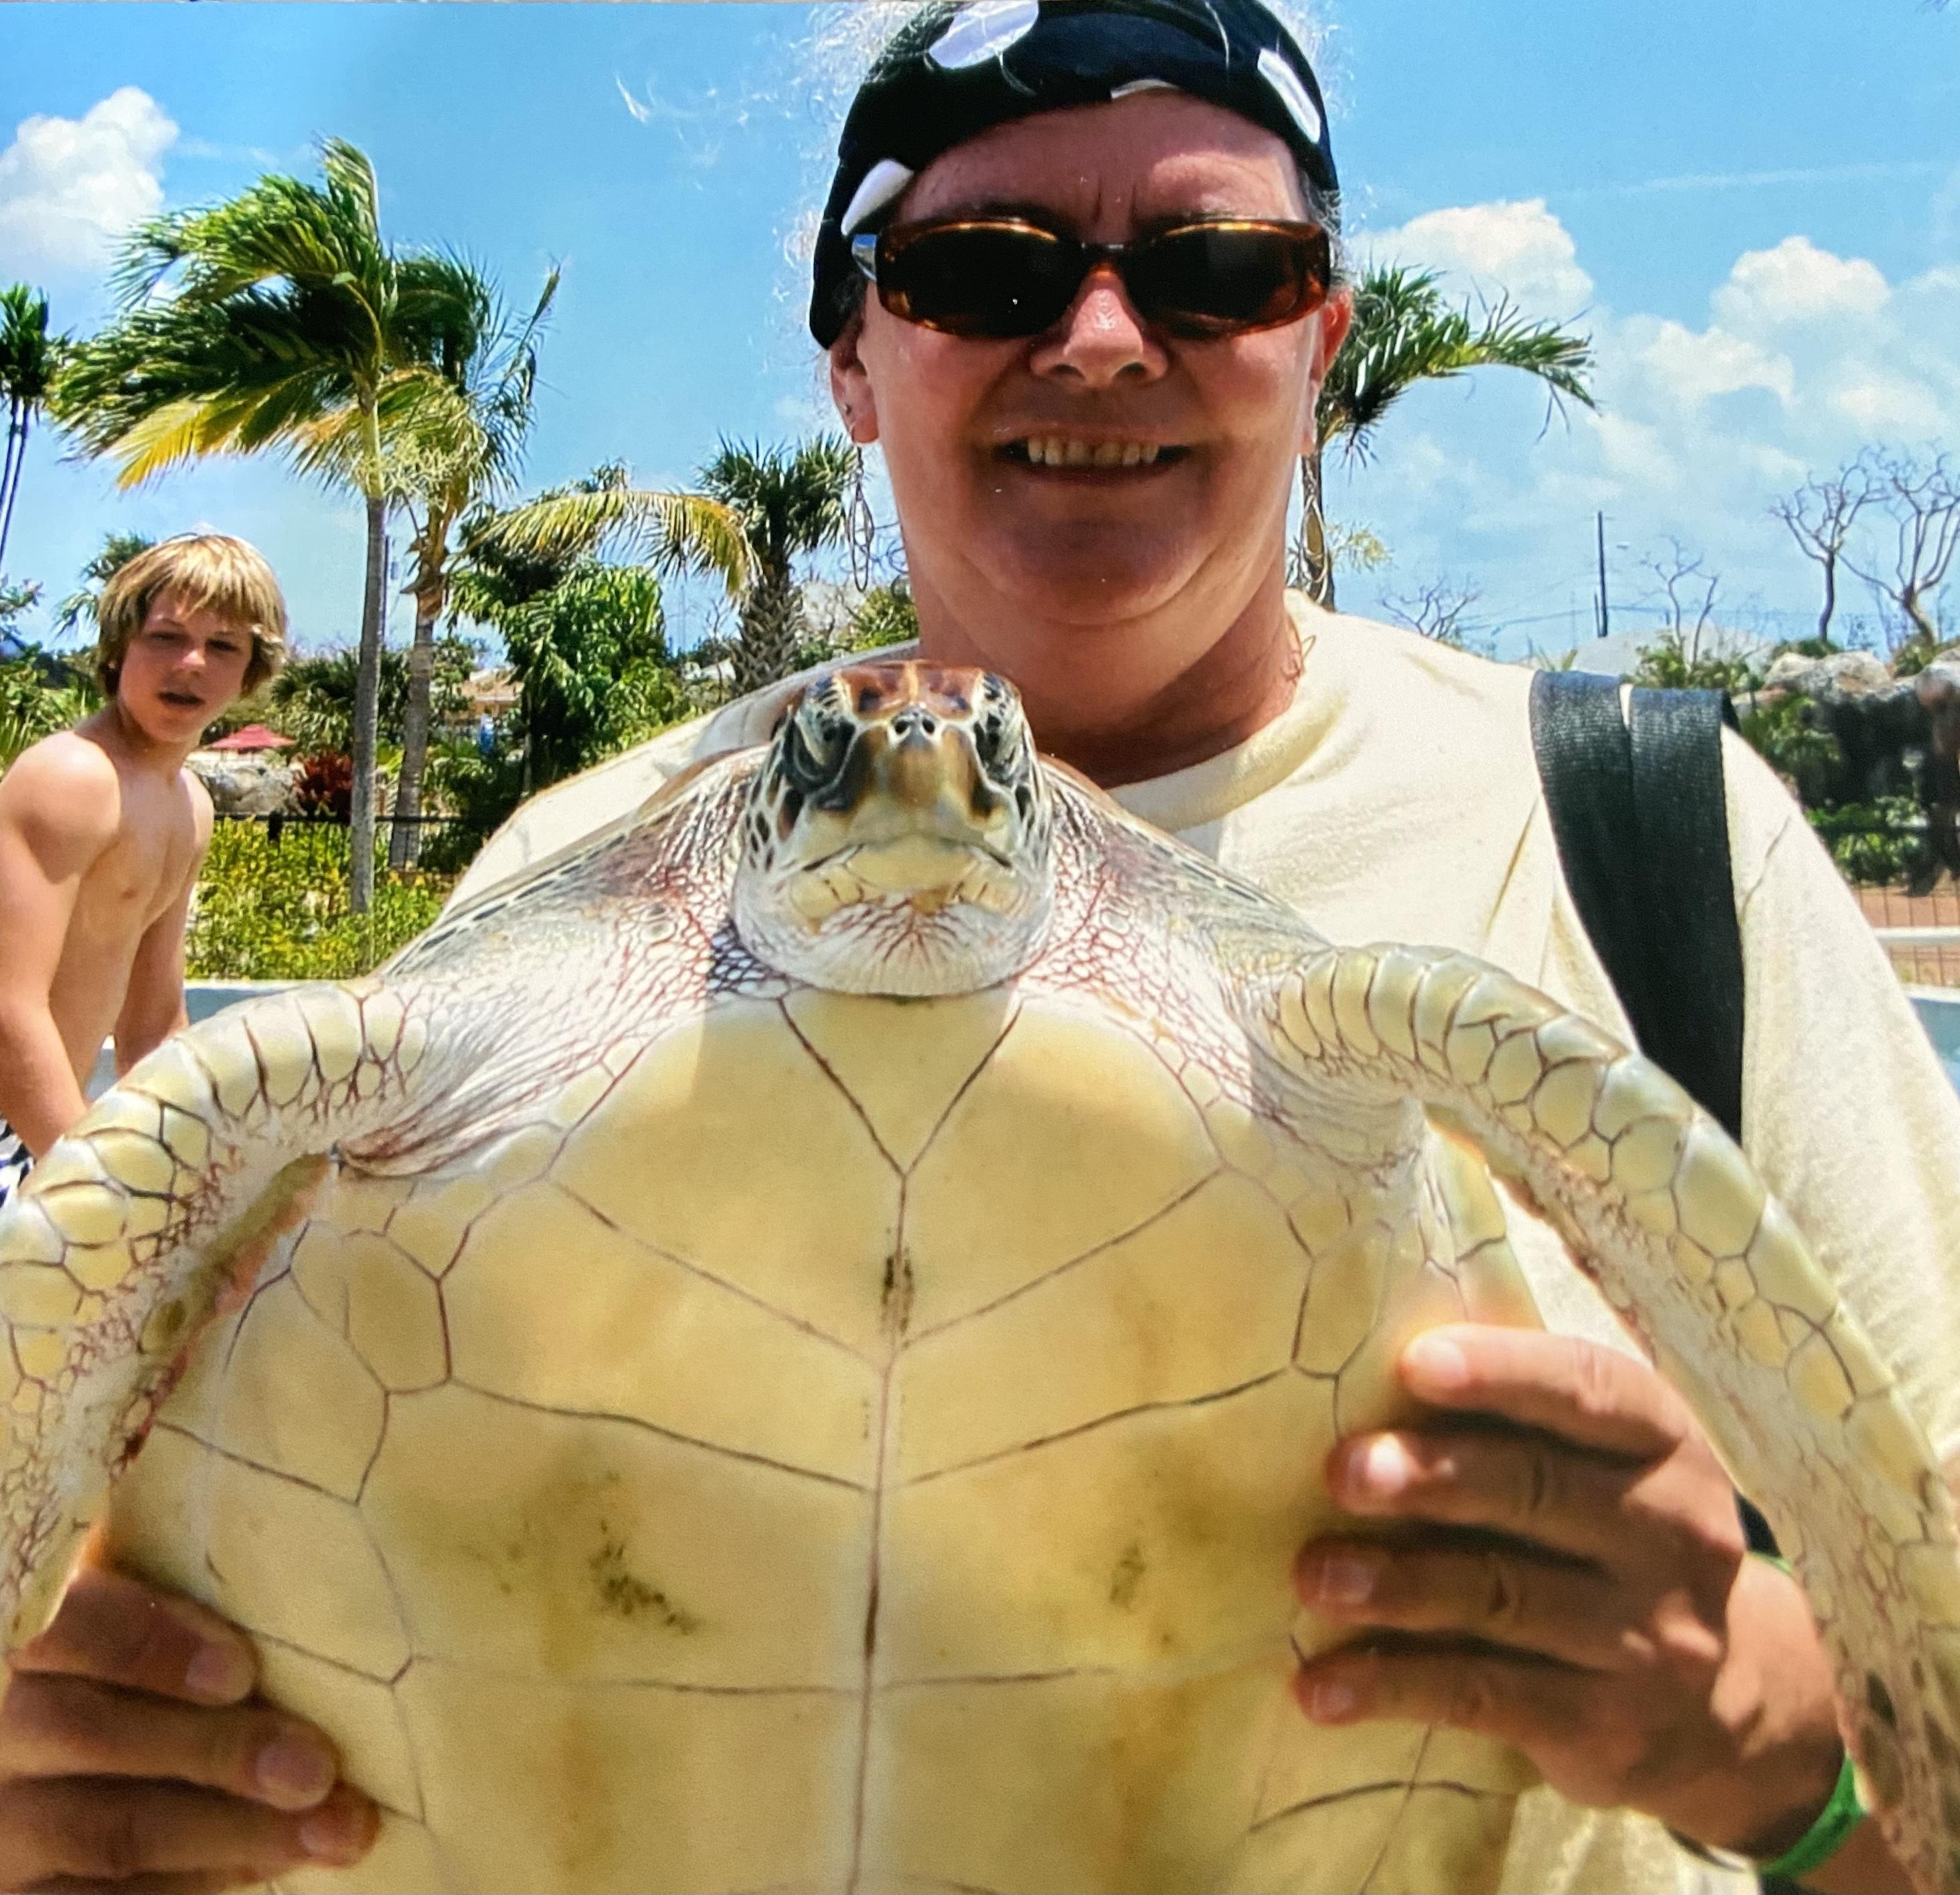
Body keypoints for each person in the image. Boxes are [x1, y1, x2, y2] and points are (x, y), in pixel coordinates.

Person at [9, 5, 1956, 1889]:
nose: (1102, 340)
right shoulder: (569, 867)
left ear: (1323, 342)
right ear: (855, 358)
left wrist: (1783, 1736)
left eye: (1220, 271)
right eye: (983, 272)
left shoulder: (1638, 846)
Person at [0, 535, 287, 1201]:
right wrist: (98, 1188)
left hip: (41, 1137)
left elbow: (152, 1022)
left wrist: (196, 1168)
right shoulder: (71, 777)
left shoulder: (189, 806)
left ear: (250, 672)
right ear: (118, 648)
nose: (191, 664)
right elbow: (9, 1010)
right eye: (166, 637)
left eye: (223, 646)